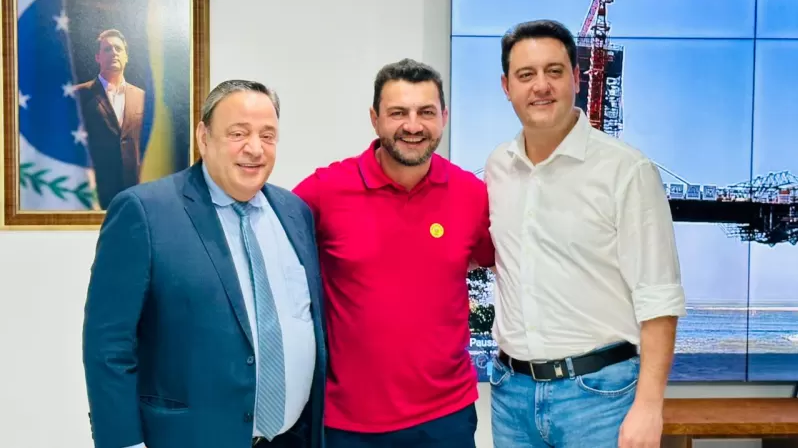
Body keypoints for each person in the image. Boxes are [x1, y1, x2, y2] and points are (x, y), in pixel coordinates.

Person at [82, 79, 327, 448]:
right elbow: (108, 345)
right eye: (238, 133)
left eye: (267, 135)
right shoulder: (145, 212)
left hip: (291, 439)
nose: (255, 148)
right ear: (203, 137)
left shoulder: (294, 212)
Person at [484, 20, 687, 448]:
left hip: (599, 400)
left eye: (554, 71)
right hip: (510, 396)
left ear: (577, 78)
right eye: (526, 74)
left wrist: (649, 407)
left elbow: (659, 298)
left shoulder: (627, 171)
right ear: (506, 87)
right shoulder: (497, 167)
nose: (541, 86)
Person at [292, 58, 494, 448]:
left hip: (446, 418)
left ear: (444, 117)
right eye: (398, 113)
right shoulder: (325, 191)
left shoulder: (471, 194)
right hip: (347, 423)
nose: (413, 126)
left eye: (426, 112)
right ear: (375, 118)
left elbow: (497, 260)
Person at [75, 29, 145, 210]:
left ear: (126, 57)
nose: (114, 52)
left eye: (118, 49)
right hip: (95, 192)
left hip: (135, 192)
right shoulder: (79, 94)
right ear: (98, 57)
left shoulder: (142, 97)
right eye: (107, 49)